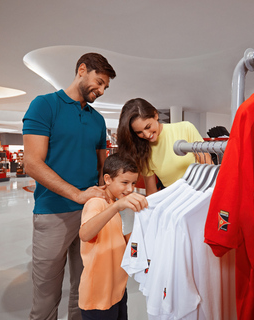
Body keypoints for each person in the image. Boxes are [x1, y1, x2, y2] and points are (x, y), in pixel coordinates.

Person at [22, 52, 116, 320]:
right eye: (99, 82)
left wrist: (105, 202)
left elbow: (102, 169)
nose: (101, 90)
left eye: (105, 87)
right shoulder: (44, 105)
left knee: (84, 286)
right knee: (46, 292)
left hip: (90, 213)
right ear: (82, 70)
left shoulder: (98, 120)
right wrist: (77, 194)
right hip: (53, 212)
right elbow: (33, 164)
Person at [78, 153, 148, 320]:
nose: (130, 189)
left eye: (133, 183)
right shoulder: (97, 202)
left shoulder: (118, 205)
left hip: (117, 289)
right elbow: (85, 234)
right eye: (124, 182)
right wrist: (116, 206)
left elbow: (125, 242)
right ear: (108, 179)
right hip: (98, 295)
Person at [117, 98, 210, 196]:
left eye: (148, 127)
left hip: (200, 193)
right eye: (139, 132)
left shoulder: (186, 128)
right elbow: (151, 191)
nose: (147, 135)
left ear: (155, 115)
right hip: (173, 199)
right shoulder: (142, 151)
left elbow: (208, 165)